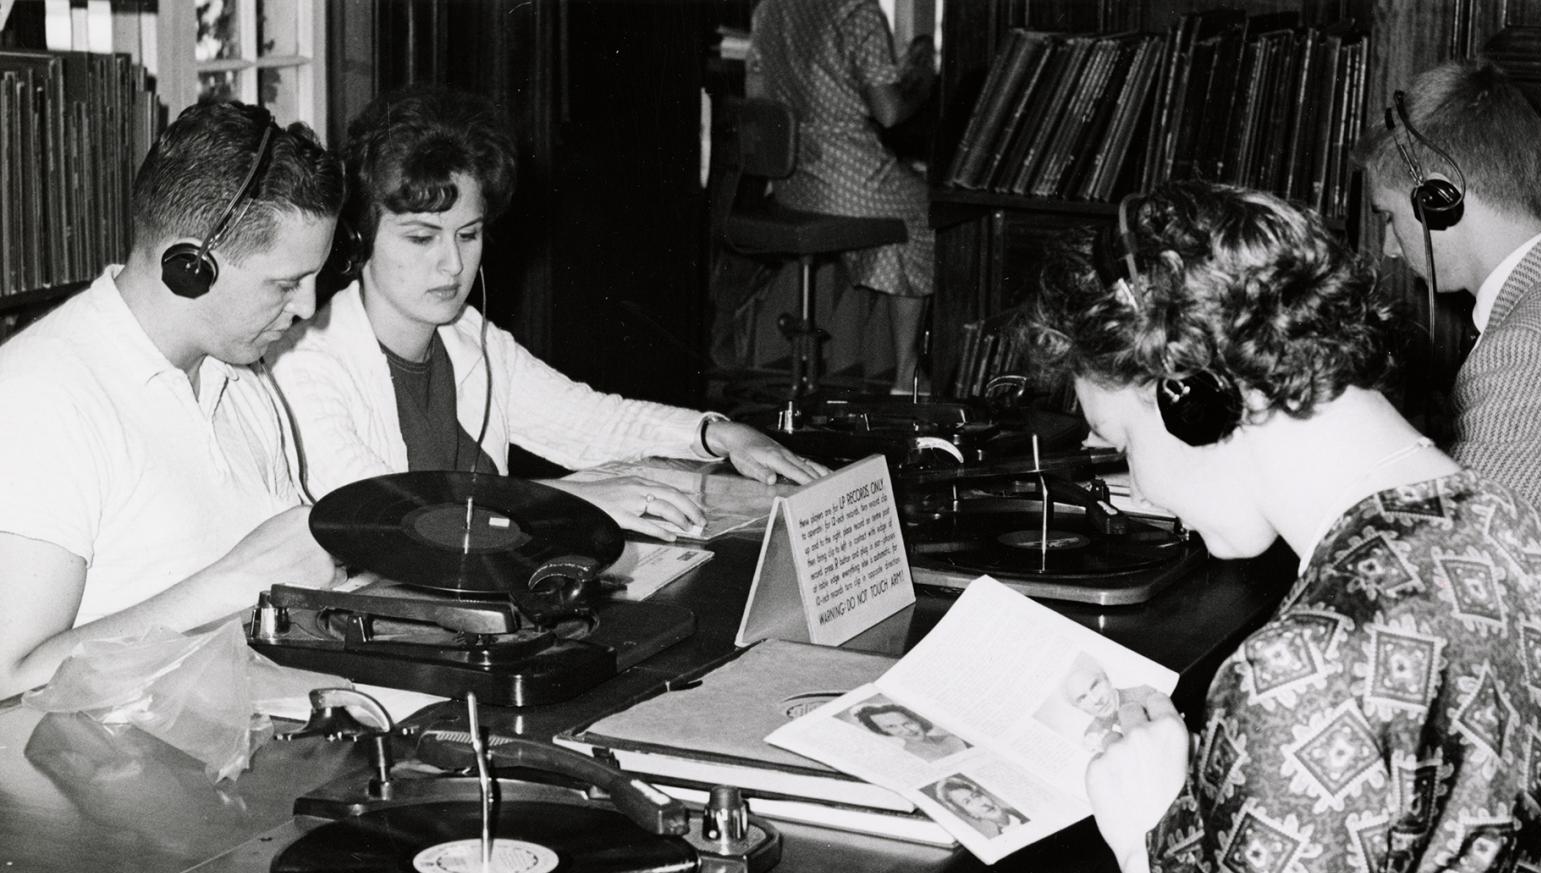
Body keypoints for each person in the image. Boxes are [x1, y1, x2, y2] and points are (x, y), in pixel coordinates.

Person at [885, 181, 1541, 873]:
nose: (1143, 488)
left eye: (1121, 446)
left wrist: (1147, 847)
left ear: (1189, 398)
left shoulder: (1304, 670)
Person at [267, 84, 826, 541]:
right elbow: (394, 512)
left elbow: (591, 422)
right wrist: (570, 497)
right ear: (360, 235)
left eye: (468, 234)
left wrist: (720, 434)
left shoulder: (469, 338)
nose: (451, 265)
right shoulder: (306, 365)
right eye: (420, 238)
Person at [0, 102, 345, 701]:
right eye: (286, 282)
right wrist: (234, 580)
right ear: (192, 267)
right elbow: (7, 680)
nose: (308, 309)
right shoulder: (40, 397)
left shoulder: (240, 374)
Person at [1354, 58, 1541, 617]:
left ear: (1440, 200)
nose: (1387, 246)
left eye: (1388, 216)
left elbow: (1450, 579)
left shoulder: (1529, 348)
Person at [746, 0, 936, 395]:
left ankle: (885, 363)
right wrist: (920, 77)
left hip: (793, 181)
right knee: (928, 210)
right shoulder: (856, 10)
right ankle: (906, 374)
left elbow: (757, 95)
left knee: (899, 205)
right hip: (845, 178)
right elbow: (888, 113)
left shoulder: (772, 8)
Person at [852, 699, 969, 761]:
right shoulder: (908, 758)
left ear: (917, 720)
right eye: (891, 727)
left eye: (907, 723)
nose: (906, 730)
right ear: (883, 731)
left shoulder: (952, 737)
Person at [932, 775, 1027, 839]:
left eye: (976, 796)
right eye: (968, 802)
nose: (981, 803)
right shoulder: (1001, 839)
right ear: (971, 815)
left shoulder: (1025, 810)